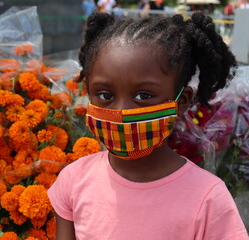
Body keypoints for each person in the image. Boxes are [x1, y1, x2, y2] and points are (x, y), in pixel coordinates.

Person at [48, 11, 249, 240]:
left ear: (181, 101)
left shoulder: (208, 199)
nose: (121, 112)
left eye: (143, 96)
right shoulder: (73, 182)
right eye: (105, 95)